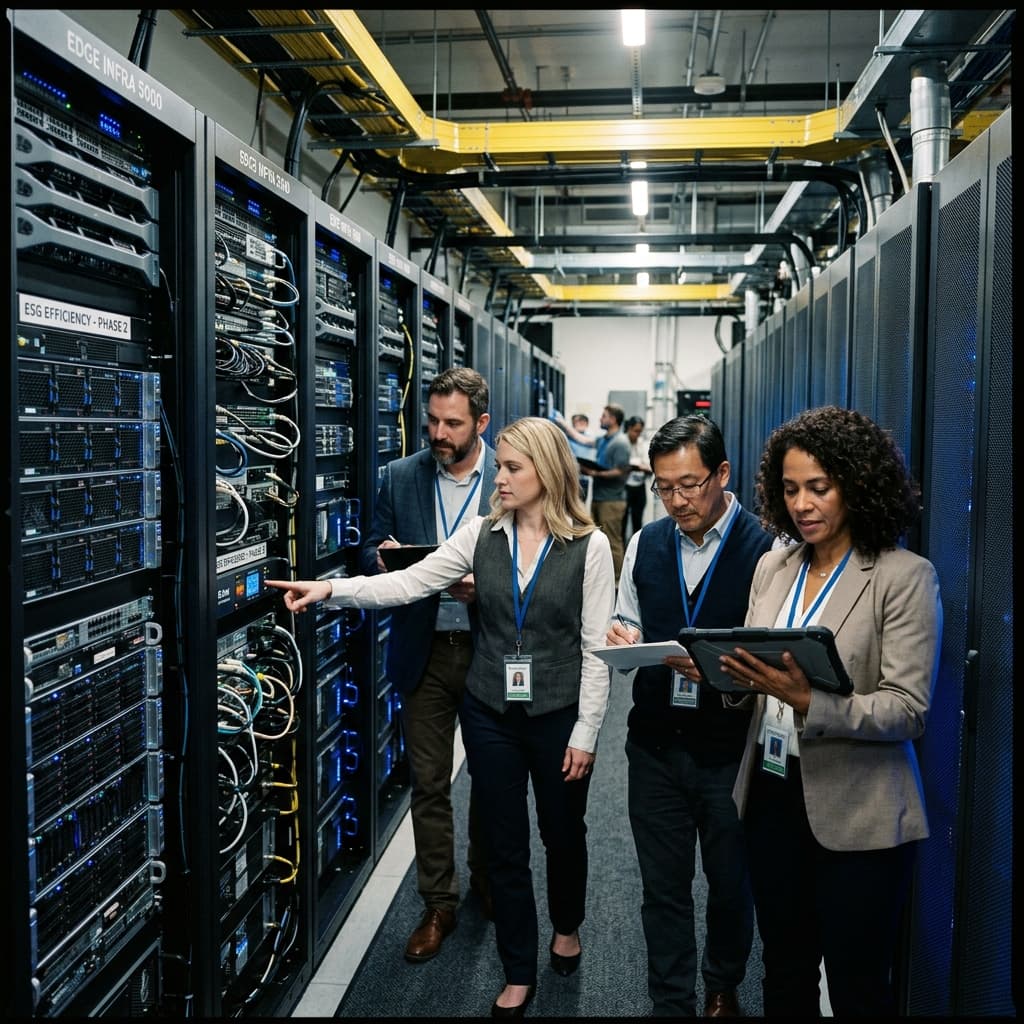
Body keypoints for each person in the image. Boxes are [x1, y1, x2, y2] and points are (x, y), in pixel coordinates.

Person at [268, 416, 615, 1018]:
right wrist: (331, 591)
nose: (499, 478)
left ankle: (566, 923)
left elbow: (594, 650)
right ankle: (517, 969)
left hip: (558, 713)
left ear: (547, 472)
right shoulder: (480, 534)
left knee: (563, 834)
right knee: (503, 842)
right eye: (500, 467)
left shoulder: (591, 546)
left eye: (512, 468)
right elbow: (407, 583)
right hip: (490, 711)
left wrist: (586, 732)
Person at [716, 405, 942, 1017]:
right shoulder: (774, 564)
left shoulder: (903, 577)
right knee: (784, 970)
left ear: (858, 485)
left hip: (858, 810)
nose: (802, 505)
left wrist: (812, 702)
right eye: (790, 489)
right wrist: (721, 671)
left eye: (819, 487)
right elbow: (753, 664)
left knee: (857, 984)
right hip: (770, 793)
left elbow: (908, 709)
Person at [603, 414, 774, 1017]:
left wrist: (725, 675)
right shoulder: (647, 544)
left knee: (732, 883)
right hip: (653, 745)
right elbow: (626, 620)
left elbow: (780, 662)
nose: (676, 500)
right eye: (664, 486)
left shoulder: (768, 550)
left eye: (690, 485)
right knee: (664, 889)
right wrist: (621, 641)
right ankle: (670, 1000)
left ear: (722, 475)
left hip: (731, 752)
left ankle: (722, 983)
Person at [358, 366, 497, 964]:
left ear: (481, 424)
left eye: (452, 423)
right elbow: (367, 543)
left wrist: (483, 585)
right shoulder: (399, 476)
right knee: (429, 784)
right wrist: (383, 559)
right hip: (425, 652)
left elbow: (542, 558)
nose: (439, 433)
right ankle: (439, 902)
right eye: (432, 421)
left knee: (495, 781)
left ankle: (492, 884)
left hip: (492, 649)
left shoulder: (511, 476)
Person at [555, 403, 631, 583]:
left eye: (604, 416)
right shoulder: (604, 439)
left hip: (612, 500)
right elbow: (581, 440)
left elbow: (622, 470)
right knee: (600, 539)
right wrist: (563, 425)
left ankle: (617, 582)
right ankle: (603, 577)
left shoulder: (620, 442)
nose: (600, 419)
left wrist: (595, 473)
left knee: (613, 542)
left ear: (613, 419)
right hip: (599, 497)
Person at [622, 415, 651, 544]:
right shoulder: (622, 443)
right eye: (635, 431)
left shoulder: (642, 444)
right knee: (622, 521)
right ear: (628, 428)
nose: (637, 434)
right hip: (624, 486)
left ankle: (636, 548)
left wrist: (638, 466)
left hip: (639, 487)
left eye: (640, 431)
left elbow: (650, 467)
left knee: (637, 521)